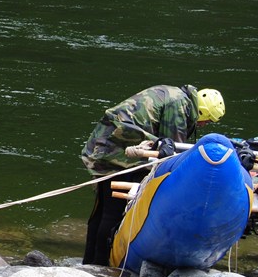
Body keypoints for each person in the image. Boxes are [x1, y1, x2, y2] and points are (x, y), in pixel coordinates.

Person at [80, 84, 225, 266]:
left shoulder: (176, 96)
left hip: (107, 144)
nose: (203, 125)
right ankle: (99, 264)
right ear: (202, 112)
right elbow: (172, 151)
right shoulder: (178, 105)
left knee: (102, 210)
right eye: (207, 121)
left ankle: (89, 263)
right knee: (112, 212)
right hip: (119, 152)